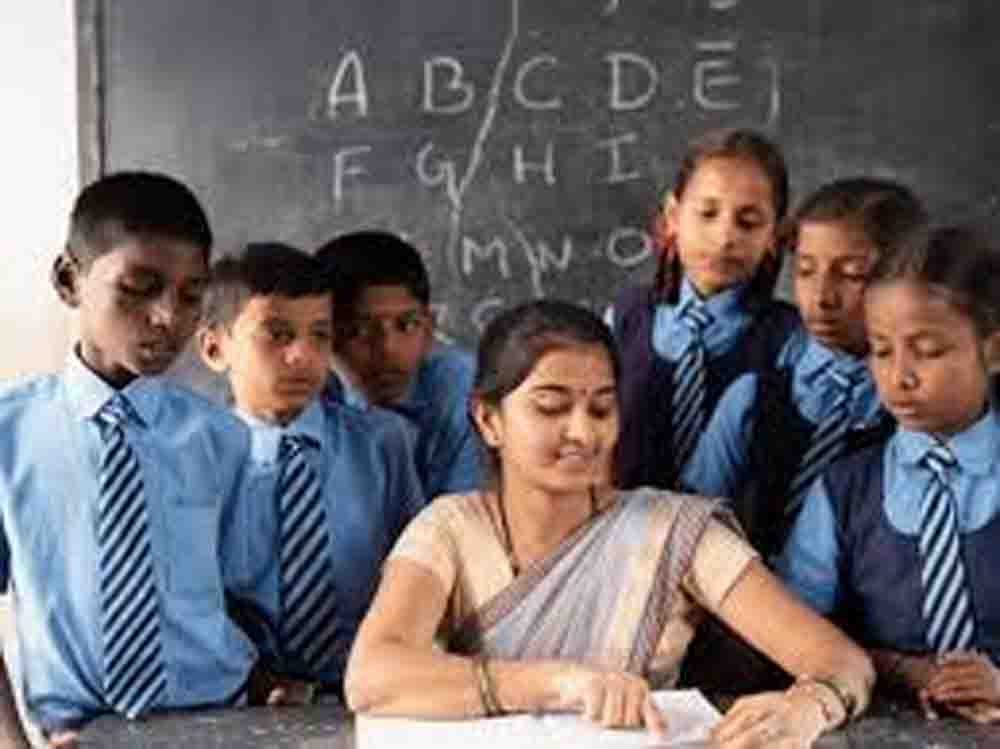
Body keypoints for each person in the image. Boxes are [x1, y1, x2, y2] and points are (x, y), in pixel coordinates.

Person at [345, 299, 874, 747]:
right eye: (551, 408)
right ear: (488, 420)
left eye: (601, 409)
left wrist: (809, 706)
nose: (583, 433)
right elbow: (372, 675)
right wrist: (560, 684)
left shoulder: (673, 531)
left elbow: (842, 662)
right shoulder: (449, 529)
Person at [0, 172, 257, 746]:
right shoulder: (9, 434)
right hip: (77, 734)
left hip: (219, 723)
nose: (168, 317)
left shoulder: (222, 438)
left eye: (190, 295)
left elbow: (243, 596)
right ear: (69, 280)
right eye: (139, 288)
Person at [778, 226, 1000, 724]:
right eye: (881, 350)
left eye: (928, 350)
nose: (900, 376)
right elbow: (797, 632)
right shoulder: (843, 489)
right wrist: (898, 669)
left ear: (993, 351)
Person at [197, 242, 423, 698]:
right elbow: (191, 602)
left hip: (369, 690)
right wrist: (254, 683)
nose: (301, 354)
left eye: (320, 335)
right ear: (215, 348)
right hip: (239, 701)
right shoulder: (194, 458)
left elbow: (420, 573)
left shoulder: (382, 443)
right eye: (276, 334)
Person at [683, 178, 927, 558]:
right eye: (806, 270)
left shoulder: (921, 413)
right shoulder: (751, 398)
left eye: (852, 274)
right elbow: (689, 526)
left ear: (907, 279)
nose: (822, 297)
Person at [610, 128, 802, 491]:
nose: (725, 236)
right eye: (707, 213)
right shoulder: (625, 317)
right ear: (672, 216)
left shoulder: (789, 341)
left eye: (748, 222)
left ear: (774, 235)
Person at [315, 230, 481, 502]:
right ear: (323, 336)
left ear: (429, 329)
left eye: (407, 325)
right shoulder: (300, 401)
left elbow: (461, 519)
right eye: (359, 331)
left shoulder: (458, 390)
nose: (387, 348)